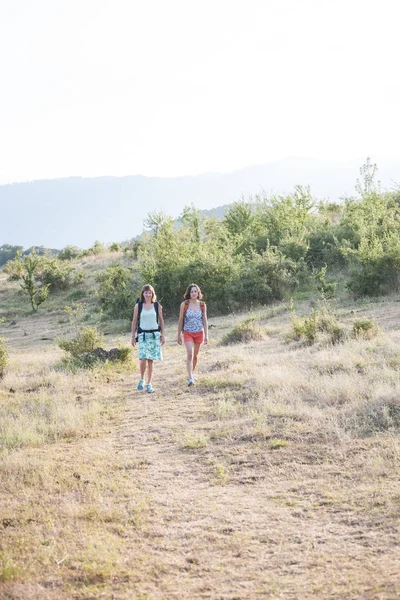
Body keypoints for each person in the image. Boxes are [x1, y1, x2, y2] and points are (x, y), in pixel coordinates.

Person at [131, 284, 165, 393]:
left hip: (154, 335)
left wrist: (163, 335)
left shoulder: (156, 305)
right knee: (143, 359)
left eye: (149, 292)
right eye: (146, 292)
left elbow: (161, 320)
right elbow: (134, 321)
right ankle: (142, 379)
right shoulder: (138, 306)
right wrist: (133, 336)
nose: (148, 294)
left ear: (152, 293)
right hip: (143, 335)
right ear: (143, 294)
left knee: (150, 360)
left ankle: (149, 383)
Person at [177, 283, 208, 386]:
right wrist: (178, 335)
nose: (194, 293)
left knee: (195, 355)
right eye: (192, 291)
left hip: (199, 332)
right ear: (188, 293)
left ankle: (192, 372)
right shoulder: (184, 304)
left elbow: (205, 320)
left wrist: (206, 336)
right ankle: (190, 378)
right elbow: (181, 319)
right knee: (189, 353)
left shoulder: (202, 305)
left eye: (195, 291)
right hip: (188, 332)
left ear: (198, 293)